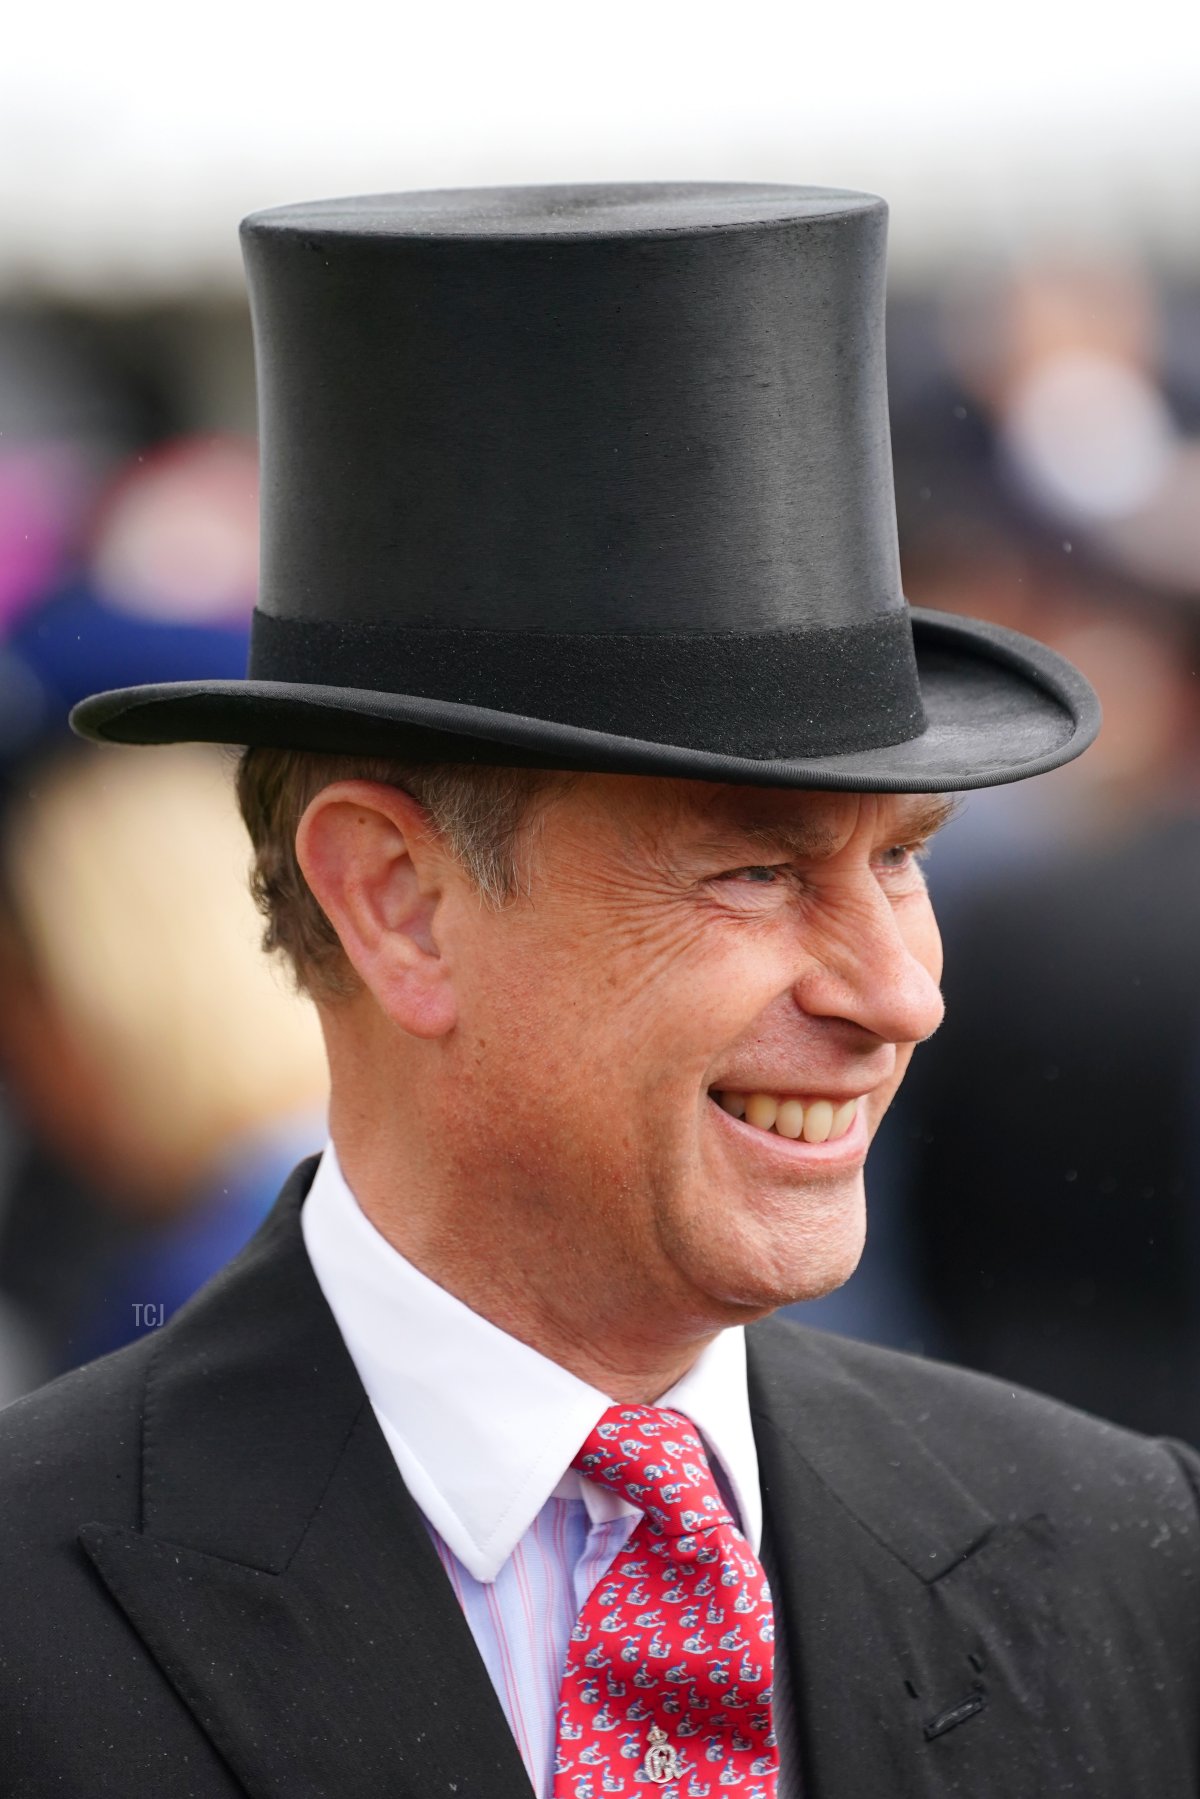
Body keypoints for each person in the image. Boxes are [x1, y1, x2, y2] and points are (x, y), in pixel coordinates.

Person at [0, 184, 1195, 1799]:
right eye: (755, 871)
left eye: (903, 856)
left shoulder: (1122, 1565)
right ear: (398, 905)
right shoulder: (43, 1613)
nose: (898, 991)